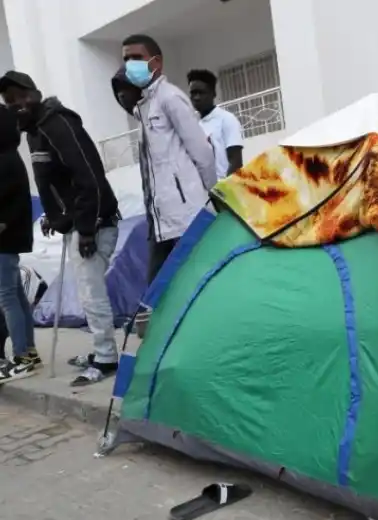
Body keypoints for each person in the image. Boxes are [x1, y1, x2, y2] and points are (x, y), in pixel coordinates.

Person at [0, 71, 121, 386]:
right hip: (78, 223)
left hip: (95, 222)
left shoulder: (58, 124)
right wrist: (54, 217)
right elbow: (56, 182)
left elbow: (88, 175)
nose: (16, 105)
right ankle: (99, 351)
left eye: (21, 96)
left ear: (36, 93)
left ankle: (106, 358)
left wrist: (88, 227)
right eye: (9, 101)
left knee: (92, 294)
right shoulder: (35, 132)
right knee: (86, 291)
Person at [121, 34, 216, 284]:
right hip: (160, 216)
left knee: (195, 279)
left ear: (156, 63)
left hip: (187, 212)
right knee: (160, 286)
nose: (130, 64)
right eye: (126, 59)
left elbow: (202, 152)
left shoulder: (170, 98)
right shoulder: (145, 106)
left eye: (136, 58)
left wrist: (211, 193)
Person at [0, 104, 41, 380]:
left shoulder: (5, 161)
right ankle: (29, 353)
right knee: (16, 296)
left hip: (5, 239)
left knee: (7, 298)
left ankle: (21, 356)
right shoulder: (11, 157)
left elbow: (9, 203)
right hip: (12, 238)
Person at [187, 69, 244, 179]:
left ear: (213, 94)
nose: (196, 97)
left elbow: (236, 163)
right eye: (193, 93)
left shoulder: (226, 119)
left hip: (221, 191)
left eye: (201, 92)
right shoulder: (192, 124)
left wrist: (221, 192)